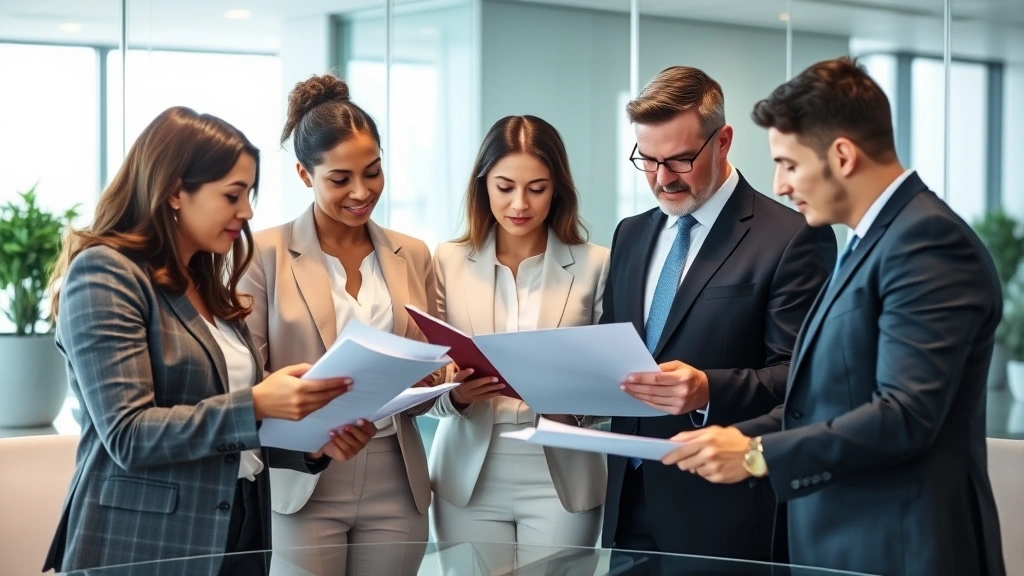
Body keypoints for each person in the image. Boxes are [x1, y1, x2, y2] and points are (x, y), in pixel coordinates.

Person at [662, 57, 1007, 576]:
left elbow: (905, 414)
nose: (779, 184)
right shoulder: (874, 239)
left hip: (905, 550)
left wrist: (758, 453)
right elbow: (828, 402)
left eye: (790, 164)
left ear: (842, 155)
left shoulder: (928, 242)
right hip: (851, 546)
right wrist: (730, 437)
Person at [42, 106, 374, 576]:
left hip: (239, 527)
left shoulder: (204, 279)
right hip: (146, 542)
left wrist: (311, 443)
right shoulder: (105, 273)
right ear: (176, 191)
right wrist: (258, 402)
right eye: (233, 195)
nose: (248, 211)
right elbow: (129, 434)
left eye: (250, 194)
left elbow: (227, 432)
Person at [600, 65, 837, 562]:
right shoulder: (630, 234)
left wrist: (709, 388)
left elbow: (803, 379)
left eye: (681, 160)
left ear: (723, 141)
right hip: (626, 504)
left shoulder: (792, 237)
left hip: (724, 514)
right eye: (647, 160)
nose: (662, 179)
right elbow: (613, 350)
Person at [238, 73, 437, 576]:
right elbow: (246, 378)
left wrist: (437, 380)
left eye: (372, 172)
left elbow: (433, 360)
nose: (361, 191)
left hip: (397, 471)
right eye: (340, 179)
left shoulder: (411, 253)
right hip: (304, 476)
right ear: (305, 175)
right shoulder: (262, 254)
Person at [427, 115, 610, 574]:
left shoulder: (596, 264)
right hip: (466, 476)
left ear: (558, 189)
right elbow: (425, 380)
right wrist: (455, 395)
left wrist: (571, 401)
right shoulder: (447, 261)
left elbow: (615, 383)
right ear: (483, 185)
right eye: (505, 186)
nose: (520, 204)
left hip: (562, 476)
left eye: (537, 188)